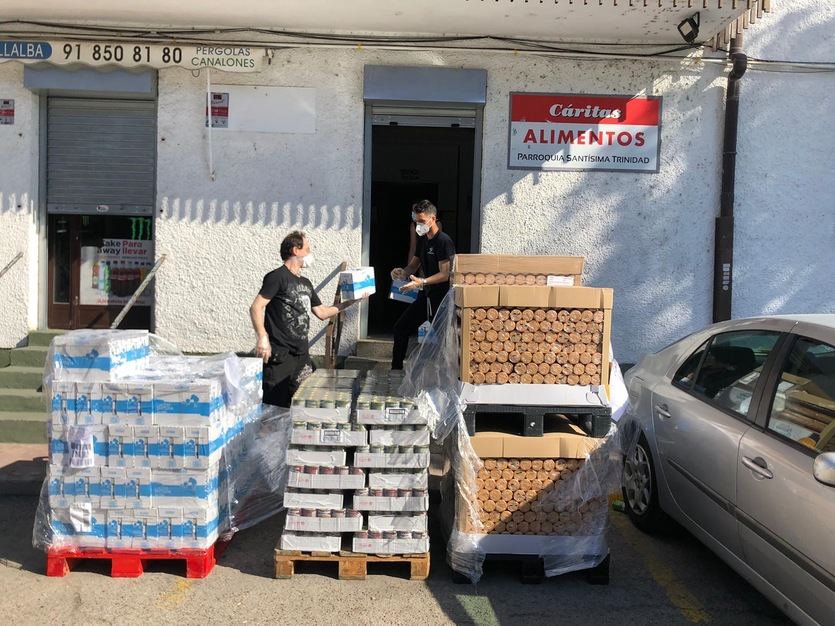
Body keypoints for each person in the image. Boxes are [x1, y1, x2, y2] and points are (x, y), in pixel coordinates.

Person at [250, 231, 364, 407]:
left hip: (302, 353)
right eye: (308, 249)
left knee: (303, 402)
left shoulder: (306, 283)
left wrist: (351, 302)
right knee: (274, 405)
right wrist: (262, 337)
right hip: (281, 353)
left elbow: (322, 313)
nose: (311, 253)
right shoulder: (276, 277)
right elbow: (256, 307)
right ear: (296, 250)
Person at [390, 200, 455, 370]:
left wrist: (423, 281)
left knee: (439, 339)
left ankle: (443, 376)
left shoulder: (443, 241)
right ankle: (396, 370)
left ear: (433, 219)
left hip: (440, 298)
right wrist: (401, 273)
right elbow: (413, 265)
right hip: (425, 294)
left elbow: (445, 273)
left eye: (422, 221)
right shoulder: (423, 240)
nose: (418, 225)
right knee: (400, 328)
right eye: (416, 221)